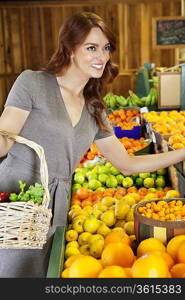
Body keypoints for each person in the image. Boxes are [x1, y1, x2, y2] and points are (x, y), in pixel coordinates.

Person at [0, 11, 185, 278]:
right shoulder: (33, 83)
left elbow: (127, 164)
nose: (102, 56)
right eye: (91, 47)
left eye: (106, 48)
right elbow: (5, 136)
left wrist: (181, 153)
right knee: (9, 277)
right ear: (70, 48)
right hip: (16, 199)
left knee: (41, 277)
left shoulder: (94, 109)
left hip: (56, 206)